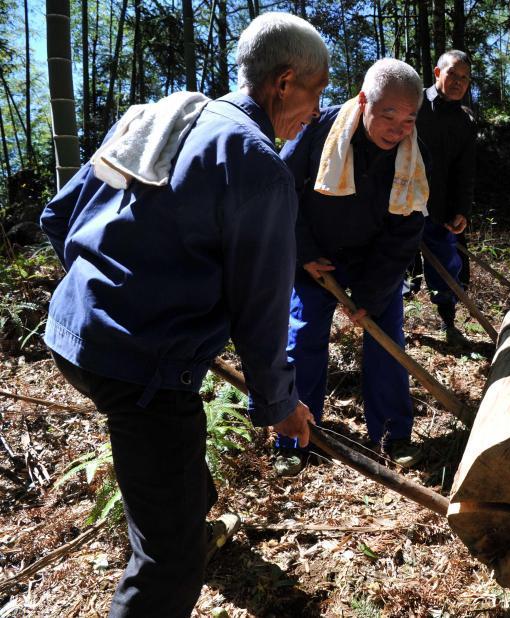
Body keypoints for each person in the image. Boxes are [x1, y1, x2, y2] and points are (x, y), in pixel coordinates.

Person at [38, 13, 327, 617]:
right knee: (168, 563)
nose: (316, 111)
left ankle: (186, 511)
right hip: (142, 370)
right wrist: (279, 405)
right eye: (317, 92)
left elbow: (57, 216)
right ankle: (175, 542)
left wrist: (102, 282)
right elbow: (262, 311)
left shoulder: (159, 114)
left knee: (174, 466)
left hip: (70, 333)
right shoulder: (257, 166)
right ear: (284, 82)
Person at [279, 58, 427, 467]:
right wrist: (304, 252)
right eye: (389, 114)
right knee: (304, 337)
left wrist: (372, 292)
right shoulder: (319, 128)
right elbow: (281, 191)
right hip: (315, 260)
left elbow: (405, 230)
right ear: (364, 102)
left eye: (409, 118)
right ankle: (296, 440)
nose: (398, 128)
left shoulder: (412, 156)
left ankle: (395, 433)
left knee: (386, 340)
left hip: (373, 264)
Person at [413, 49, 477, 345]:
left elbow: (465, 170)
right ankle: (384, 326)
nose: (458, 82)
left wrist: (462, 209)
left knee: (446, 265)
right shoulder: (413, 104)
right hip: (401, 205)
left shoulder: (465, 122)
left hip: (440, 210)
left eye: (464, 78)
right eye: (453, 73)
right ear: (438, 73)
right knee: (390, 262)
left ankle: (448, 322)